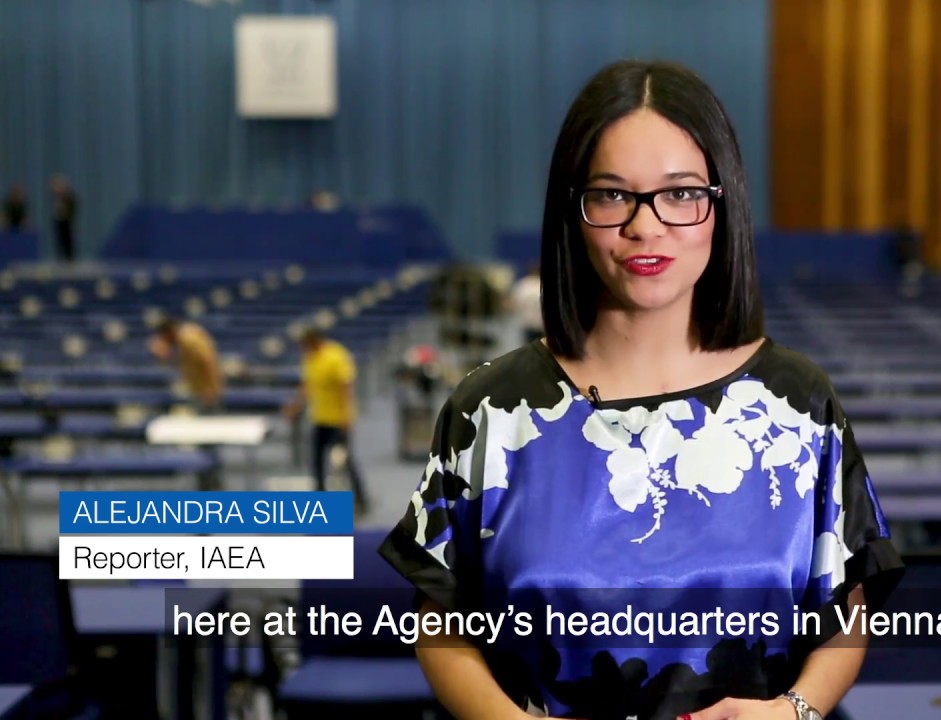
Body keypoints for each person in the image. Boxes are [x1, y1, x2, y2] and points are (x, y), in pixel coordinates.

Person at [378, 60, 903, 720]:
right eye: (612, 195)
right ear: (573, 210)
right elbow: (441, 622)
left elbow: (844, 617)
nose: (645, 227)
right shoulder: (490, 411)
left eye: (680, 194)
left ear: (723, 203)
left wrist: (792, 709)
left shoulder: (800, 405)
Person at [283, 328, 369, 514]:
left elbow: (346, 388)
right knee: (316, 461)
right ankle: (320, 499)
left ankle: (361, 500)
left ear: (315, 341)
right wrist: (295, 406)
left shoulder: (336, 356)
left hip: (338, 420)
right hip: (319, 418)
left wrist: (347, 416)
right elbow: (307, 385)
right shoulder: (309, 358)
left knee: (345, 462)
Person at [149, 315, 223, 411]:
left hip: (206, 391)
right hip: (199, 389)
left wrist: (210, 389)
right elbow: (184, 363)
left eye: (164, 336)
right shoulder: (184, 338)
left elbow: (207, 360)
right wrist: (164, 356)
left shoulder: (189, 338)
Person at [508, 262, 543, 344]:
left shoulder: (523, 285)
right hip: (540, 324)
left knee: (529, 347)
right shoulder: (543, 284)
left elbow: (513, 304)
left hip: (527, 323)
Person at [50, 174, 76, 261]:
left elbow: (73, 208)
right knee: (59, 240)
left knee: (68, 240)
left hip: (67, 221)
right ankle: (60, 258)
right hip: (59, 221)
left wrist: (68, 215)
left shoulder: (69, 197)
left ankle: (70, 258)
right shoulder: (58, 197)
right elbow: (53, 188)